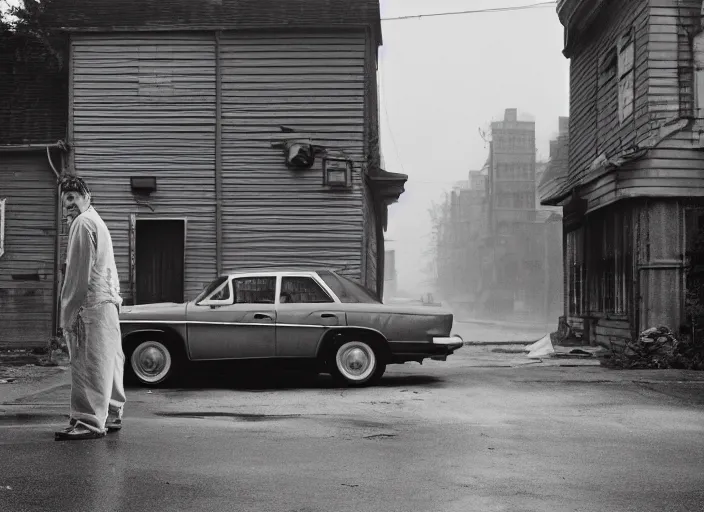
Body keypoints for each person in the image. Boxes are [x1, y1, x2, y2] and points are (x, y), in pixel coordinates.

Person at [55, 176, 126, 441]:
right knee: (109, 360)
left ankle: (88, 421)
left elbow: (77, 274)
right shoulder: (97, 221)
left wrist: (68, 312)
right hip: (107, 301)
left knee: (88, 363)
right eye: (65, 202)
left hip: (90, 304)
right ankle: (112, 411)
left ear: (87, 197)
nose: (69, 206)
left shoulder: (83, 223)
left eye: (73, 198)